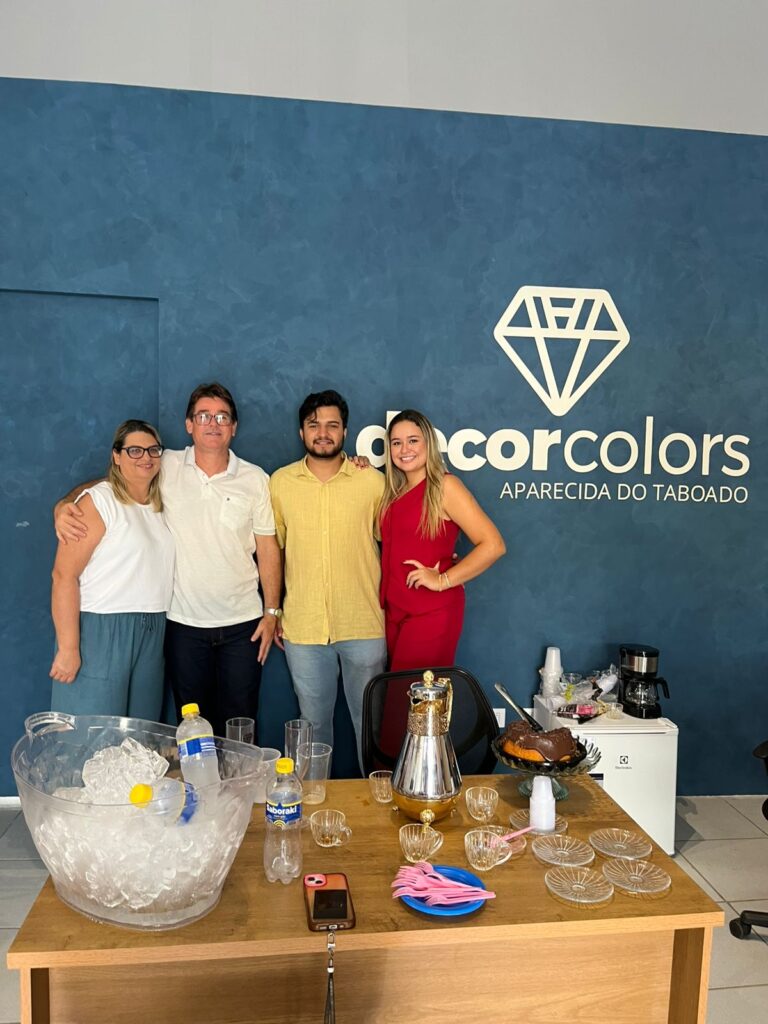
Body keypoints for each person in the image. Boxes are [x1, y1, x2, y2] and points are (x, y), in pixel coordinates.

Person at [54, 383, 282, 738]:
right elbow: (118, 480)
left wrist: (272, 611)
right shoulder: (166, 463)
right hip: (182, 624)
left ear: (234, 427)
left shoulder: (255, 478)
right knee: (192, 727)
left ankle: (239, 778)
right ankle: (200, 777)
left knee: (241, 722)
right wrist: (66, 504)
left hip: (243, 624)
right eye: (203, 416)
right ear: (189, 424)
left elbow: (267, 548)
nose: (213, 423)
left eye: (222, 417)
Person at [269, 390, 387, 766]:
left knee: (371, 726)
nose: (323, 433)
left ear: (345, 432)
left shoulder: (373, 482)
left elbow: (397, 540)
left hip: (364, 623)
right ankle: (313, 797)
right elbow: (274, 551)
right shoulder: (280, 483)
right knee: (313, 726)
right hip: (303, 628)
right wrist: (274, 609)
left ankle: (375, 798)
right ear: (301, 432)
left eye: (332, 425)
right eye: (314, 425)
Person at [50, 420, 175, 719]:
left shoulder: (159, 505)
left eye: (153, 450)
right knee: (92, 732)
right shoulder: (98, 502)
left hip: (153, 629)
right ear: (116, 456)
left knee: (141, 732)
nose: (145, 457)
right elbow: (63, 576)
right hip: (102, 630)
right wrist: (69, 647)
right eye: (134, 450)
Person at [379, 409, 506, 670]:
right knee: (398, 693)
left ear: (428, 443)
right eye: (396, 442)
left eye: (413, 440)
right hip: (394, 612)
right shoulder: (393, 492)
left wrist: (442, 580)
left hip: (430, 612)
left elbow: (493, 545)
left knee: (417, 693)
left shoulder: (445, 487)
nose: (404, 449)